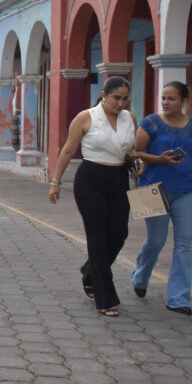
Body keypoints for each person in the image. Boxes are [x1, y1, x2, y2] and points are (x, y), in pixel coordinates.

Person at [48, 76, 139, 318]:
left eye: (125, 98)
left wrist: (136, 162)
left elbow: (130, 149)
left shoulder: (129, 118)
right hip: (90, 180)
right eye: (116, 98)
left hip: (119, 178)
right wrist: (55, 182)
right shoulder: (86, 117)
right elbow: (68, 149)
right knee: (97, 238)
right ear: (104, 95)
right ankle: (105, 298)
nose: (121, 103)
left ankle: (90, 271)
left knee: (119, 234)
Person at [130, 81, 192, 315]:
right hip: (153, 189)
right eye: (163, 98)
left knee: (184, 244)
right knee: (155, 241)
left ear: (184, 101)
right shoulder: (151, 123)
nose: (166, 103)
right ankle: (140, 277)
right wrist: (160, 159)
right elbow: (136, 152)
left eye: (171, 98)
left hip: (187, 190)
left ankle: (178, 298)